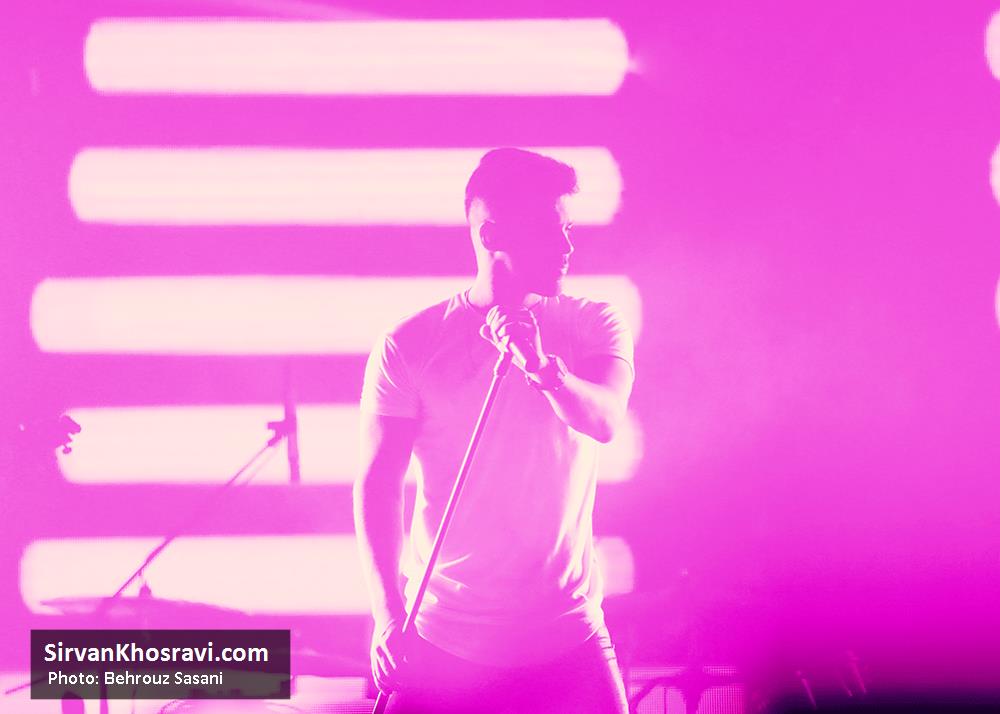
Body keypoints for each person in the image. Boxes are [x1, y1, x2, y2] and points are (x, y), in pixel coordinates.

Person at [353, 147, 635, 714]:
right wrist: (387, 616)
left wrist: (545, 370)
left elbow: (604, 420)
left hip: (567, 634)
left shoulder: (593, 323)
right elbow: (378, 485)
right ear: (491, 236)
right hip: (443, 639)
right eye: (549, 232)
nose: (567, 247)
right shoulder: (410, 344)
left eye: (567, 230)